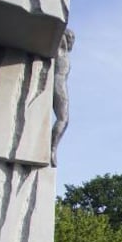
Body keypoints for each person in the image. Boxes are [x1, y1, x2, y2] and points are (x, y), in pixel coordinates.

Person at [50, 28, 74, 167]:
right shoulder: (60, 50)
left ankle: (52, 147)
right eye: (71, 38)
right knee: (64, 119)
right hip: (58, 84)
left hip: (60, 83)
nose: (72, 42)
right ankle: (52, 148)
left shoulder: (63, 53)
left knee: (64, 119)